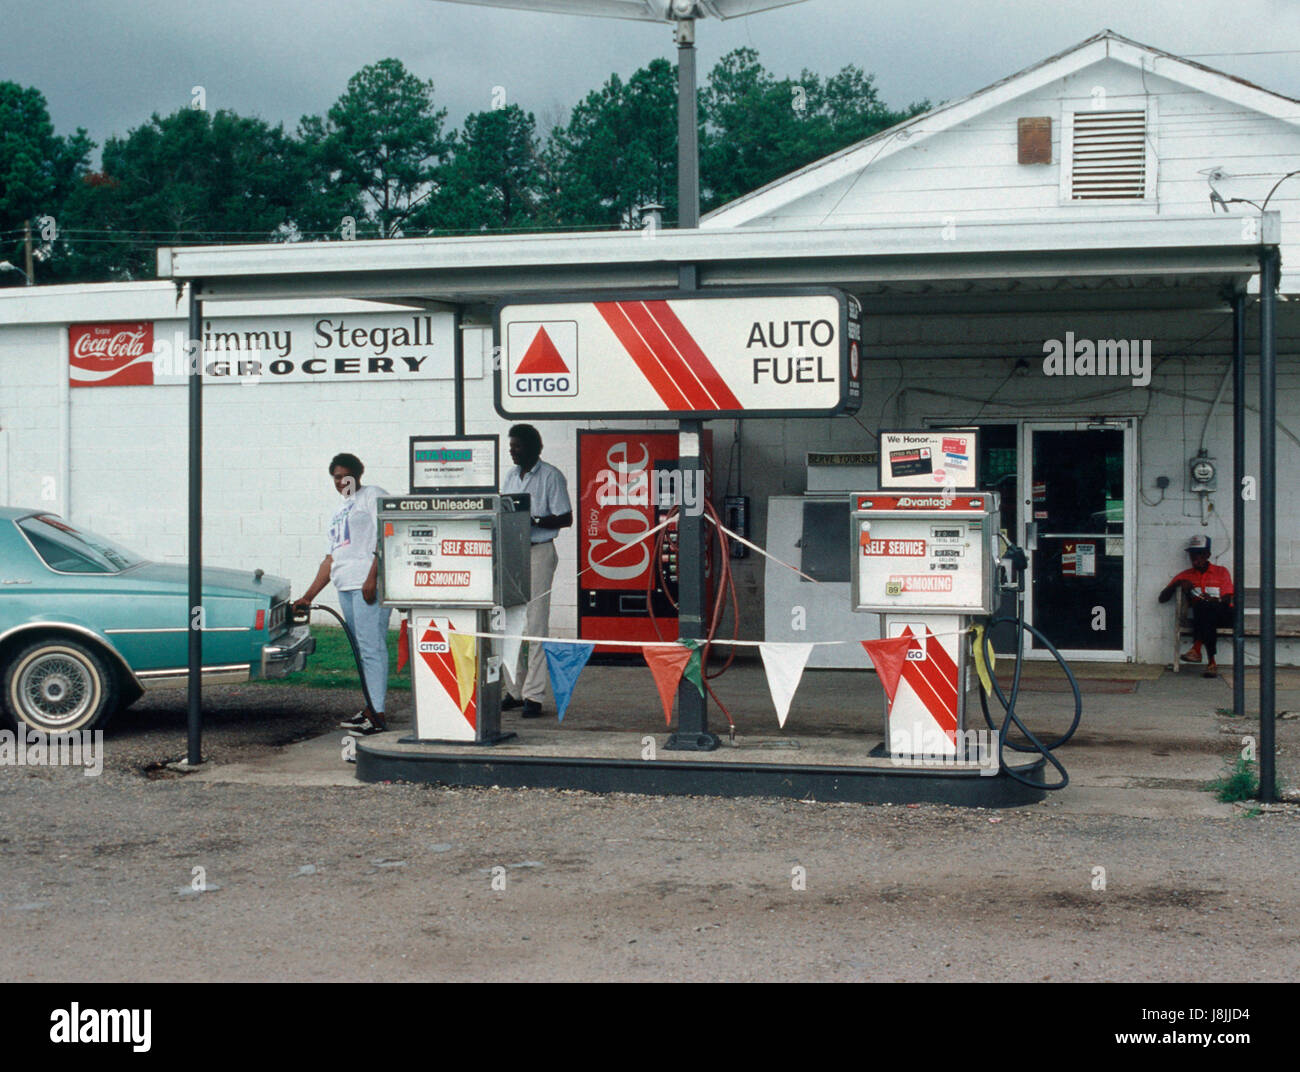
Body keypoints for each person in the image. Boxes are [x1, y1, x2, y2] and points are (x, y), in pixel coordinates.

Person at [294, 453, 392, 733]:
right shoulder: (339, 510)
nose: (341, 481)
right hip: (345, 585)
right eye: (336, 477)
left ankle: (378, 713)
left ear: (358, 475)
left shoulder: (372, 495)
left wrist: (373, 575)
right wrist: (308, 596)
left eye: (346, 476)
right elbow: (331, 559)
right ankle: (371, 707)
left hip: (366, 584)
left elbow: (386, 534)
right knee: (362, 649)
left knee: (372, 647)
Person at [501, 424, 572, 718]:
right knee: (510, 622)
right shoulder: (509, 476)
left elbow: (566, 517)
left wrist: (534, 520)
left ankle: (534, 695)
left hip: (539, 551)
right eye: (511, 445)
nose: (512, 450)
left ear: (533, 447)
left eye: (517, 445)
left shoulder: (551, 476)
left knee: (536, 624)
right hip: (513, 552)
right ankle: (514, 690)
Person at [1158, 534, 1234, 678]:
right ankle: (1211, 663)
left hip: (1224, 614)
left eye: (1200, 554)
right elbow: (1162, 599)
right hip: (1204, 618)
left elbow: (1226, 599)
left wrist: (1213, 600)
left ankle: (1197, 649)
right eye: (1192, 555)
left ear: (1208, 555)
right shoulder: (1185, 575)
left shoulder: (1221, 572)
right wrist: (1177, 584)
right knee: (1203, 610)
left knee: (1206, 607)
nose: (1195, 558)